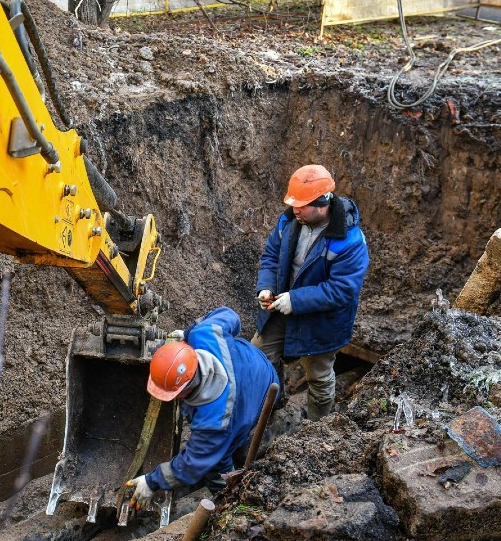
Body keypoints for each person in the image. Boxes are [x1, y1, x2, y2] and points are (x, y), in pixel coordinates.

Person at [124, 307, 279, 509]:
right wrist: (188, 333)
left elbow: (192, 463)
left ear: (185, 389)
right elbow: (231, 316)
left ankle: (230, 501)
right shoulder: (204, 333)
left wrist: (151, 482)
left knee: (217, 464)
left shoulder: (214, 422)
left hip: (263, 394)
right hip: (257, 364)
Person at [254, 164, 370, 421]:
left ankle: (317, 428)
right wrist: (266, 287)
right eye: (293, 203)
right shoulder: (289, 221)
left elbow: (342, 290)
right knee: (258, 356)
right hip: (283, 306)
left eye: (302, 205)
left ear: (323, 202)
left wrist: (296, 300)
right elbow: (272, 256)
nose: (295, 209)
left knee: (318, 377)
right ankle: (273, 403)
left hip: (322, 322)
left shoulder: (350, 241)